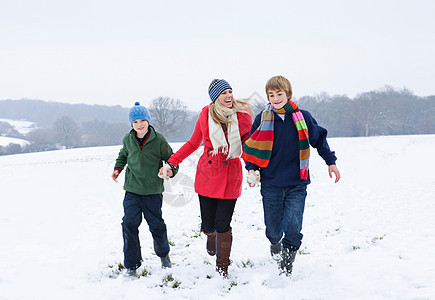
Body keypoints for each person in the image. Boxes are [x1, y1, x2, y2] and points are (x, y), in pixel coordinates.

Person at [242, 75, 341, 276]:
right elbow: (252, 146)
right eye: (271, 95)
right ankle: (274, 243)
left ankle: (286, 266)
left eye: (279, 93)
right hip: (270, 183)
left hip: (297, 182)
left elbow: (319, 140)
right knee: (273, 229)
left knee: (294, 227)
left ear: (288, 94)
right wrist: (251, 168)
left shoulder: (303, 117)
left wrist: (331, 162)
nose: (276, 98)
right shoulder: (262, 118)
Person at [161, 79, 252, 277]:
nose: (228, 96)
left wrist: (253, 169)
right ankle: (211, 235)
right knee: (209, 225)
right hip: (208, 176)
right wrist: (172, 162)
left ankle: (222, 266)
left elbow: (247, 147)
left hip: (231, 174)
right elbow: (193, 143)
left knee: (223, 224)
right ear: (215, 98)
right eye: (223, 93)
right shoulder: (205, 114)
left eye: (230, 91)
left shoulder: (243, 117)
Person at [112, 102, 178, 276]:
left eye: (142, 120)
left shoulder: (159, 140)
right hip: (132, 191)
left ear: (148, 121)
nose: (139, 124)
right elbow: (123, 155)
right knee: (129, 224)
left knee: (156, 225)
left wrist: (170, 170)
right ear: (131, 124)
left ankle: (164, 256)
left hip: (153, 192)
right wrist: (118, 169)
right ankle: (132, 265)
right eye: (135, 122)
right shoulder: (128, 139)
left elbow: (172, 159)